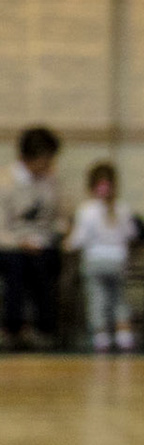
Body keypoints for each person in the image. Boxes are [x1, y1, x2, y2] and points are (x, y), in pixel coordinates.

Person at [0, 126, 68, 351]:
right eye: (44, 159)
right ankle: (13, 327)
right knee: (16, 266)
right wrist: (20, 242)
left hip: (42, 242)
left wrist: (61, 232)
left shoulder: (50, 180)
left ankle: (45, 328)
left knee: (45, 264)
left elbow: (58, 216)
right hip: (11, 244)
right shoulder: (6, 182)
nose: (48, 165)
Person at [66, 161, 142, 353]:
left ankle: (101, 337)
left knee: (97, 299)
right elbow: (132, 234)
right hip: (118, 261)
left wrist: (66, 244)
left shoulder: (86, 210)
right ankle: (123, 334)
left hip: (94, 262)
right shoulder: (122, 208)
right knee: (119, 299)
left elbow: (79, 239)